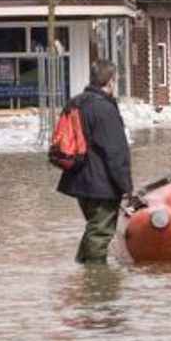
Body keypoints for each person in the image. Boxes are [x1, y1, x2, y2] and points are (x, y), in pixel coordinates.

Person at [57, 60, 132, 263]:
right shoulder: (104, 109)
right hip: (102, 184)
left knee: (94, 228)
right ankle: (97, 283)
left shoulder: (75, 102)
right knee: (100, 233)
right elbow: (115, 152)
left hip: (79, 181)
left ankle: (83, 274)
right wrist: (126, 187)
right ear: (110, 81)